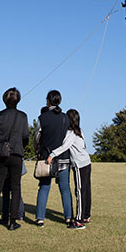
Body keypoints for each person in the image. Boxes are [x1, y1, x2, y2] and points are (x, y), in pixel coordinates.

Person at [0, 87, 29, 231]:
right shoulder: (23, 116)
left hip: (1, 154)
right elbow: (25, 136)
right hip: (16, 153)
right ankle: (12, 221)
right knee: (15, 188)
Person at [47, 109, 91, 229]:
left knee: (80, 191)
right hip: (87, 162)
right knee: (86, 190)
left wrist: (52, 154)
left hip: (79, 165)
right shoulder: (80, 131)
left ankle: (79, 220)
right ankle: (86, 215)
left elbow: (64, 146)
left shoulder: (71, 133)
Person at [34, 90, 72, 228]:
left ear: (48, 101)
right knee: (65, 189)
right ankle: (68, 217)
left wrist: (36, 148)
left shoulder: (42, 117)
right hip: (63, 158)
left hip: (46, 157)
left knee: (44, 187)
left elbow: (37, 136)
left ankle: (40, 218)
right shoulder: (65, 118)